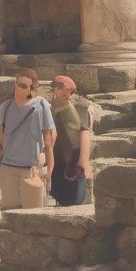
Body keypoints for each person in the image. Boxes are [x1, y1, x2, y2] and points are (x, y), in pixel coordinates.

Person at [0, 67, 55, 210]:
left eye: (29, 87)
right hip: (8, 168)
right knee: (9, 216)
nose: (26, 90)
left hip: (31, 170)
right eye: (22, 85)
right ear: (15, 85)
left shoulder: (41, 106)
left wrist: (49, 171)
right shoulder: (5, 107)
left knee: (35, 217)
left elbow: (49, 141)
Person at [49, 76, 92, 207]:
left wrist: (83, 163)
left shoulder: (80, 108)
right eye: (62, 89)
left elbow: (84, 134)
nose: (66, 93)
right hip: (55, 162)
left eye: (70, 91)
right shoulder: (48, 109)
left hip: (73, 163)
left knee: (74, 200)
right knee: (57, 198)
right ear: (55, 89)